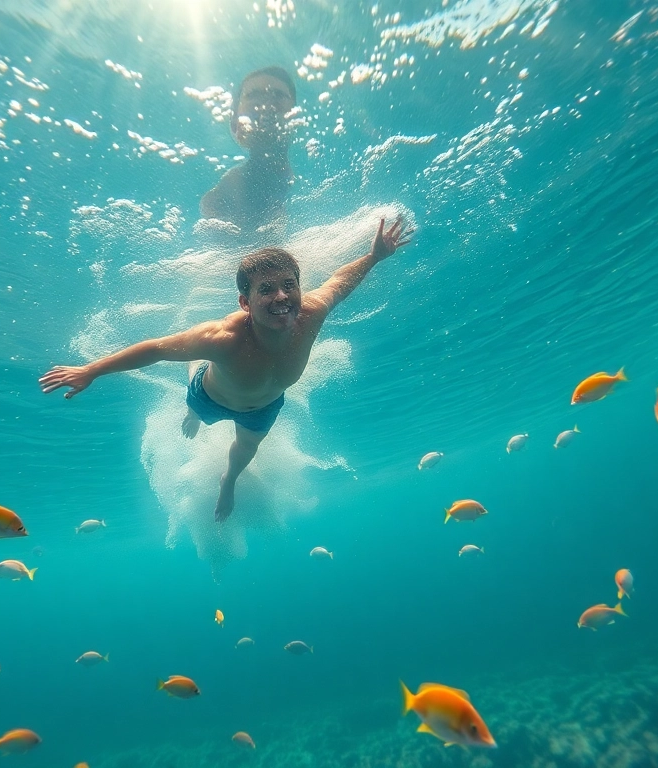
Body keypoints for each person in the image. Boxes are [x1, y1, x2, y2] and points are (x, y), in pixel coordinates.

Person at [39, 216, 415, 522]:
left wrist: (374, 256)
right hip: (210, 398)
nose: (282, 297)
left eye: (289, 286)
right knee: (196, 376)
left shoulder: (312, 312)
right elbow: (154, 349)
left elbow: (338, 281)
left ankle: (228, 482)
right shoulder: (223, 337)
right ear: (245, 301)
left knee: (245, 449)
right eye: (266, 289)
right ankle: (192, 405)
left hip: (266, 406)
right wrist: (92, 370)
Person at [199, 66, 298, 232]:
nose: (267, 105)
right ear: (234, 123)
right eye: (253, 96)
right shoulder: (226, 189)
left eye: (278, 95)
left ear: (296, 116)